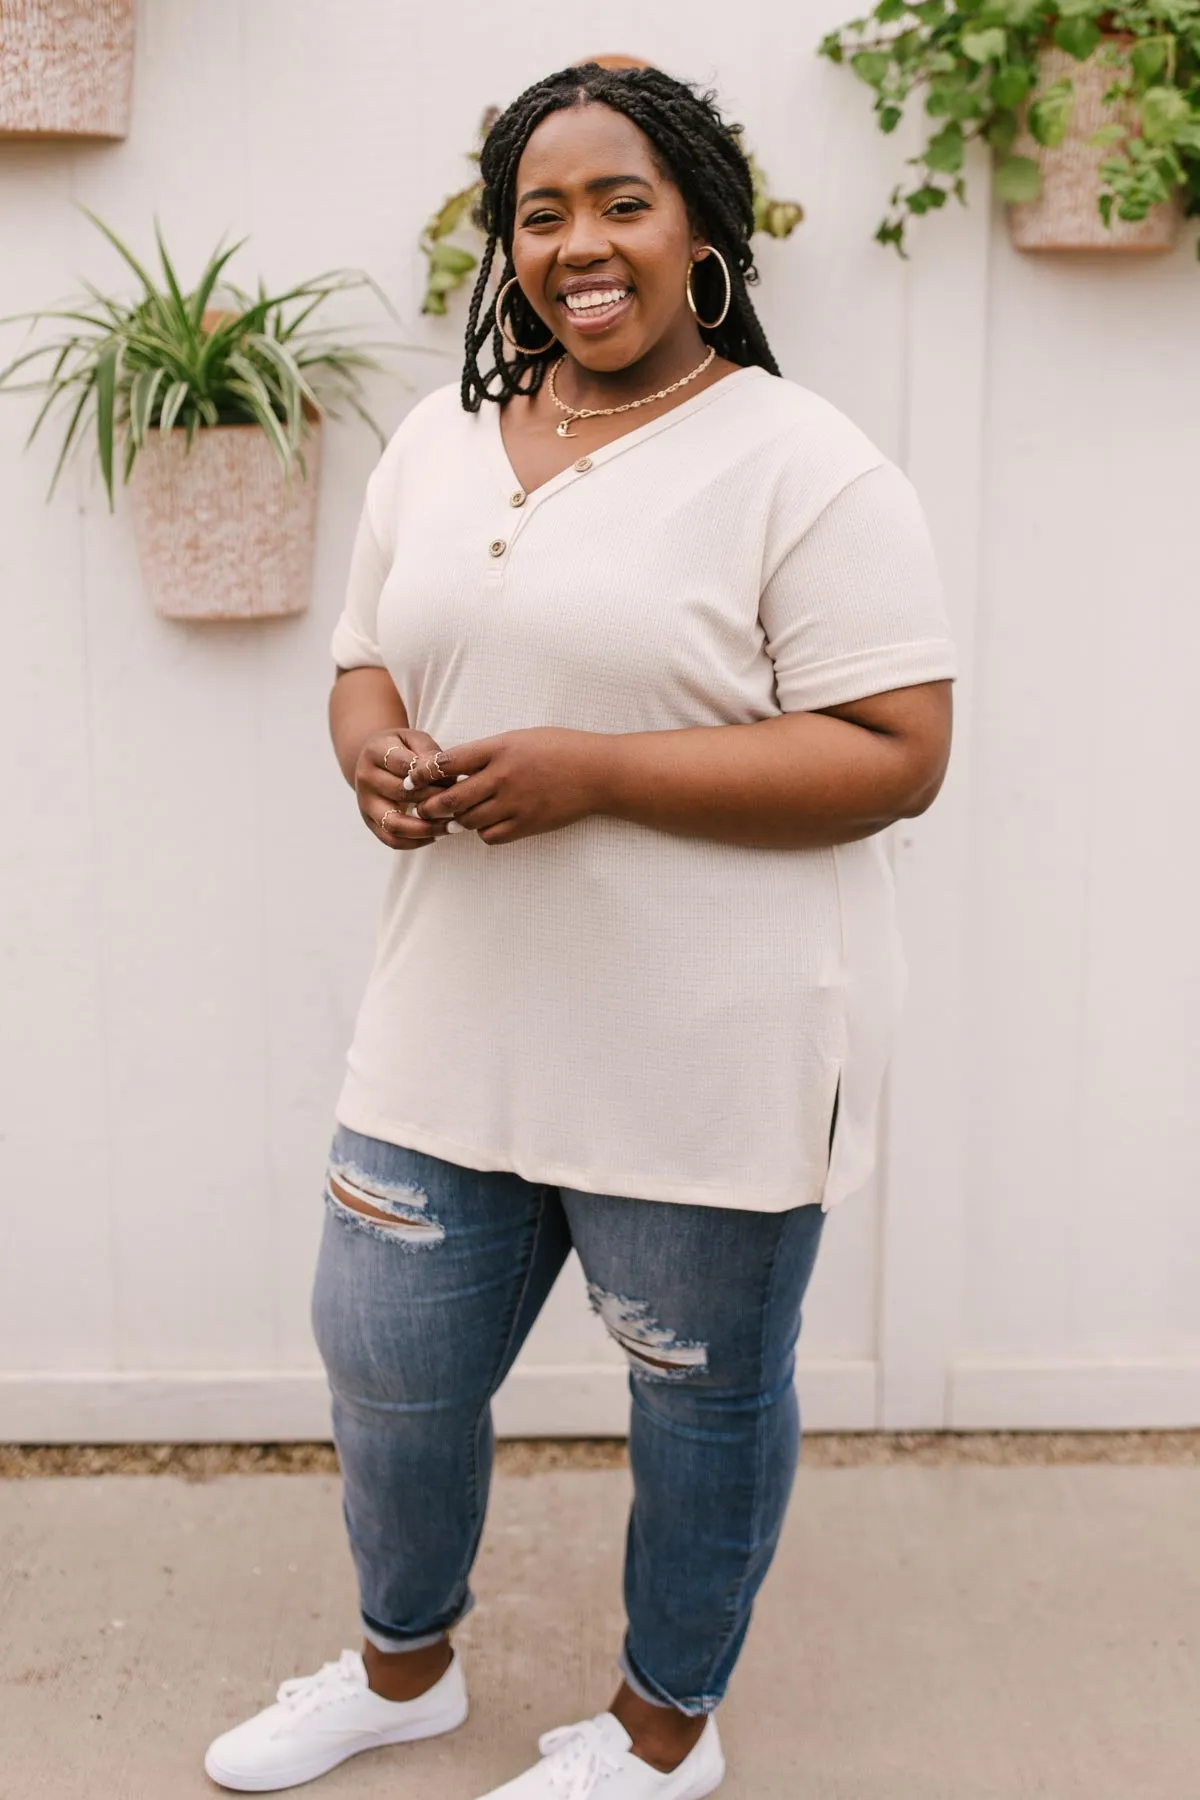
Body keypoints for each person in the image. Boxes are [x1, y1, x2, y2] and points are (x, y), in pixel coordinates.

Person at [204, 57, 957, 1800]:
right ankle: (401, 1673)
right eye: (542, 213)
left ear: (704, 231)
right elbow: (366, 656)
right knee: (387, 1367)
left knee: (699, 1405)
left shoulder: (804, 465)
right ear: (504, 246)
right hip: (451, 1017)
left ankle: (661, 1730)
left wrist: (595, 772)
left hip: (713, 1048)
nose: (581, 243)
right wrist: (369, 756)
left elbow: (898, 757)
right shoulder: (443, 434)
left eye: (624, 202)